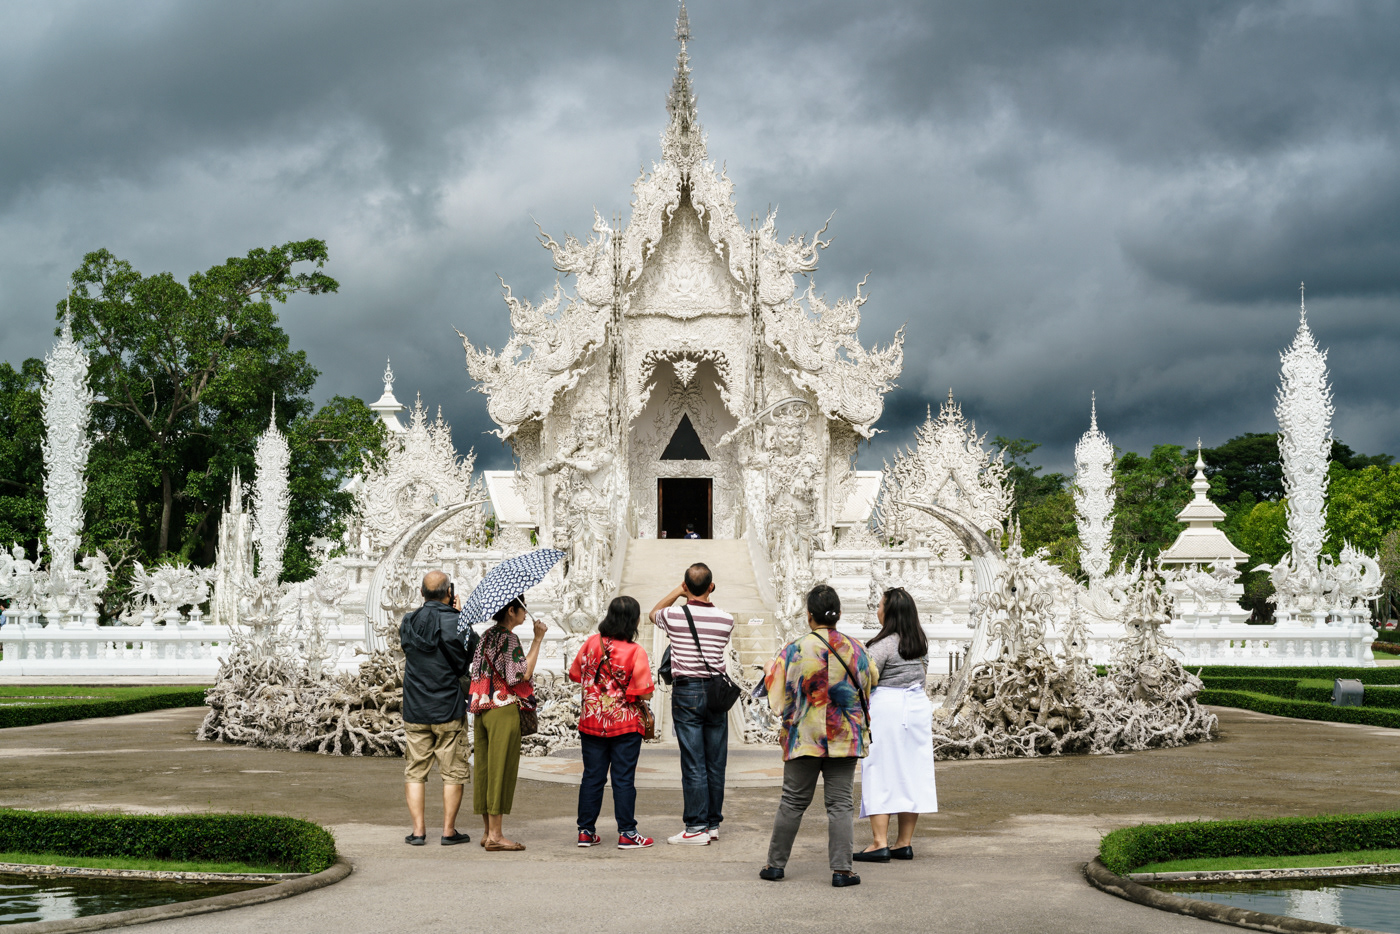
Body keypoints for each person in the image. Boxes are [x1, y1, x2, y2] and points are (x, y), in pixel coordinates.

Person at [760, 584, 875, 887]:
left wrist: (768, 670)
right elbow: (870, 682)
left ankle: (775, 865)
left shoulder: (794, 649)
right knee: (839, 805)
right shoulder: (858, 649)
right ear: (839, 614)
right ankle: (842, 870)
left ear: (809, 616)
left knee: (793, 802)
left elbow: (775, 697)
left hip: (804, 737)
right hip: (843, 736)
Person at [650, 563, 735, 845]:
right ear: (711, 586)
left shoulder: (674, 615)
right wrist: (700, 592)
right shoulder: (726, 619)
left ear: (686, 587)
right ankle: (712, 823)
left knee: (693, 760)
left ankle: (696, 826)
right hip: (715, 692)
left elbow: (652, 613)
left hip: (687, 691)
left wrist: (679, 591)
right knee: (715, 760)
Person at [856, 587, 938, 863]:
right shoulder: (920, 645)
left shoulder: (881, 646)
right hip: (916, 707)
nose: (877, 610)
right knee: (911, 771)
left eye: (879, 606)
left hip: (887, 708)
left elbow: (864, 680)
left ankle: (879, 842)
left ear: (889, 613)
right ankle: (903, 843)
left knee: (879, 770)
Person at [568, 595, 657, 849]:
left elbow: (576, 674)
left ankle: (585, 831)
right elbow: (644, 692)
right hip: (624, 724)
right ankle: (627, 833)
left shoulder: (590, 644)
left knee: (592, 777)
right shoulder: (635, 651)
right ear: (633, 621)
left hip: (592, 722)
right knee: (623, 779)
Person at [399, 570, 479, 846]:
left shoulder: (408, 622)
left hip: (415, 706)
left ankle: (418, 831)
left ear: (421, 593)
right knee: (453, 770)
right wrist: (460, 617)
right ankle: (448, 831)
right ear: (449, 592)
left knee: (415, 770)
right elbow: (473, 653)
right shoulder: (458, 623)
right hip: (448, 707)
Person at [468, 594, 547, 851]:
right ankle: (496, 835)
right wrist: (537, 639)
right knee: (501, 768)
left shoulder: (486, 637)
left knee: (485, 768)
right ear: (511, 610)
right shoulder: (509, 638)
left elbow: (477, 671)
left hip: (482, 708)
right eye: (523, 608)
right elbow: (521, 676)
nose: (526, 613)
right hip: (503, 708)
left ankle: (487, 832)